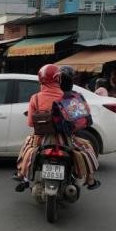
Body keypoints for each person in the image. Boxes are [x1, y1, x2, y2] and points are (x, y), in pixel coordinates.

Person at [15, 64, 100, 192]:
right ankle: (90, 179)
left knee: (27, 146)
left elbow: (31, 123)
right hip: (66, 140)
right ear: (58, 79)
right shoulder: (69, 96)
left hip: (41, 140)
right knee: (86, 147)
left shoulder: (36, 98)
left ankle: (22, 176)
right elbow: (81, 116)